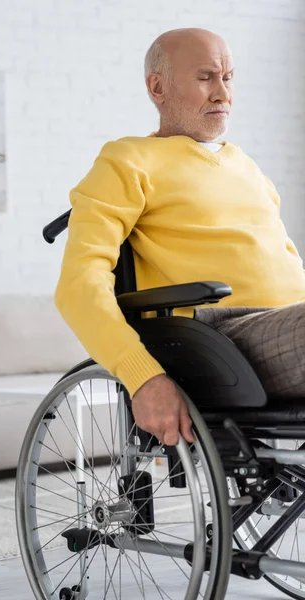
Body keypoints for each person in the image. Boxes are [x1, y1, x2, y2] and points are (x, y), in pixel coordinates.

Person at [55, 28, 305, 448]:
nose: (223, 93)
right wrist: (142, 376)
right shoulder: (128, 161)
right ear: (158, 87)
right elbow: (78, 285)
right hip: (224, 339)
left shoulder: (248, 168)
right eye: (206, 77)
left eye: (228, 77)